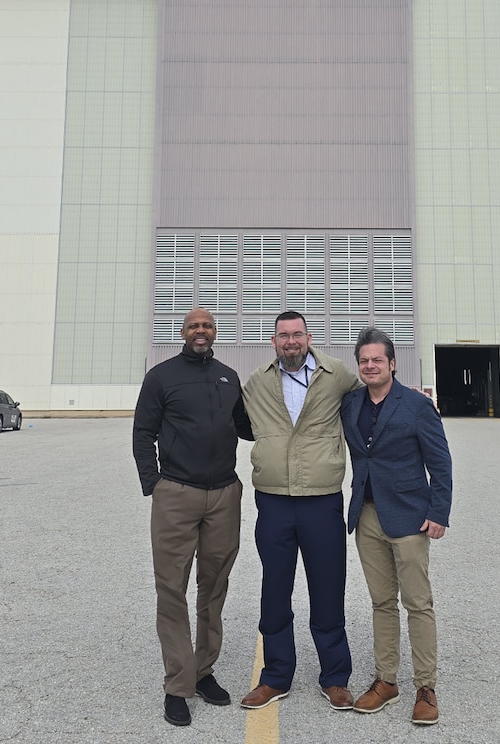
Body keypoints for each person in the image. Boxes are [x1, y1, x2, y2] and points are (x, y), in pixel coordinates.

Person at [132, 308, 253, 727]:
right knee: (172, 588)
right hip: (177, 494)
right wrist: (156, 484)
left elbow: (248, 426)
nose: (201, 331)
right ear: (182, 333)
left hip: (223, 495)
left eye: (207, 326)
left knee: (214, 586)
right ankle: (177, 685)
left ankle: (203, 672)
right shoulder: (161, 377)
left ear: (215, 332)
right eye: (193, 326)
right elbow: (142, 433)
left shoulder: (227, 376)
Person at [239, 311, 359, 712]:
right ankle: (275, 676)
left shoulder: (336, 374)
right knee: (275, 589)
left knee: (328, 587)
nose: (290, 341)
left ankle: (335, 677)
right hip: (272, 500)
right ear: (273, 341)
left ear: (308, 337)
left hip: (322, 499)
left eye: (297, 334)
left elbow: (371, 395)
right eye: (283, 335)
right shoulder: (256, 383)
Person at [341, 327, 453, 725]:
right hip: (367, 515)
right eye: (364, 361)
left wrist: (439, 512)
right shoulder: (351, 402)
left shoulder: (417, 405)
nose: (370, 366)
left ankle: (426, 686)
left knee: (418, 604)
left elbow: (440, 462)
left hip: (408, 516)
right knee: (381, 602)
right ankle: (386, 680)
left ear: (392, 363)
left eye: (377, 360)